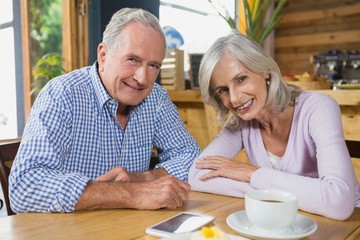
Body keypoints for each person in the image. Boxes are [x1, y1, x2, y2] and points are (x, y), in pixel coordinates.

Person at [9, 8, 200, 213]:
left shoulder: (156, 98)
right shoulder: (62, 94)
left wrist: (142, 178)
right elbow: (24, 187)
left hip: (130, 228)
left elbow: (193, 159)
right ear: (103, 55)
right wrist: (131, 193)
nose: (143, 78)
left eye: (153, 65)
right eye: (133, 59)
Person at [188, 31, 360, 220]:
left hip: (347, 225)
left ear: (265, 71)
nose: (235, 98)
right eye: (223, 90)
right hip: (285, 221)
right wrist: (270, 190)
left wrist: (252, 174)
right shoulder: (240, 123)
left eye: (241, 79)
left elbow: (338, 202)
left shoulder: (318, 108)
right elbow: (197, 176)